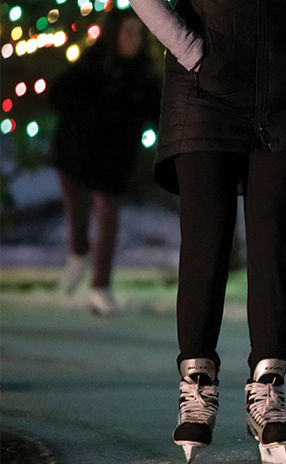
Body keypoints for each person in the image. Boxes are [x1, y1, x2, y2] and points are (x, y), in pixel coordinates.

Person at [126, 0, 286, 462]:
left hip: (285, 89)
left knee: (272, 242)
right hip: (204, 90)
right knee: (207, 242)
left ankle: (268, 390)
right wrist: (190, 50)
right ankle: (197, 388)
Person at [49, 8, 160, 316]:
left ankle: (100, 286)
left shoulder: (142, 76)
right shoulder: (92, 63)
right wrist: (87, 110)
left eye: (138, 33)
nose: (132, 39)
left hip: (114, 157)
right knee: (76, 204)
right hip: (76, 150)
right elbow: (59, 94)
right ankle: (79, 250)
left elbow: (161, 112)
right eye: (127, 32)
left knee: (108, 213)